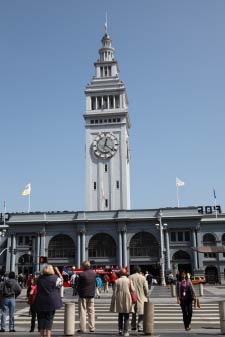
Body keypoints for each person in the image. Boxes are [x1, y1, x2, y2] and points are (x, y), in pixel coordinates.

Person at [34, 265, 63, 337]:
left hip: (40, 302)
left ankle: (41, 335)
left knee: (41, 320)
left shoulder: (39, 278)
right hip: (51, 302)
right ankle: (48, 335)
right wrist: (58, 272)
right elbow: (61, 283)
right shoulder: (56, 278)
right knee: (49, 319)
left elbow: (34, 282)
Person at [110, 267, 135, 337]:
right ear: (126, 274)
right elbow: (133, 290)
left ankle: (120, 330)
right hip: (127, 298)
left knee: (120, 315)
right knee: (126, 315)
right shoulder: (129, 280)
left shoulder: (116, 281)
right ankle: (126, 332)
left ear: (120, 274)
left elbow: (114, 290)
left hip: (119, 298)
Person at [77, 260, 96, 333]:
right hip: (91, 295)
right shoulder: (94, 273)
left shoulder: (82, 274)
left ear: (84, 266)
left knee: (82, 312)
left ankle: (83, 328)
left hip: (83, 295)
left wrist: (78, 291)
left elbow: (78, 285)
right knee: (91, 312)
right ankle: (92, 328)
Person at [128, 265, 149, 332]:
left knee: (133, 313)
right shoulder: (142, 278)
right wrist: (146, 295)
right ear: (139, 270)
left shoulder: (130, 277)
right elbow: (146, 288)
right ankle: (140, 327)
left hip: (132, 297)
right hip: (141, 297)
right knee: (141, 313)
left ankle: (133, 326)